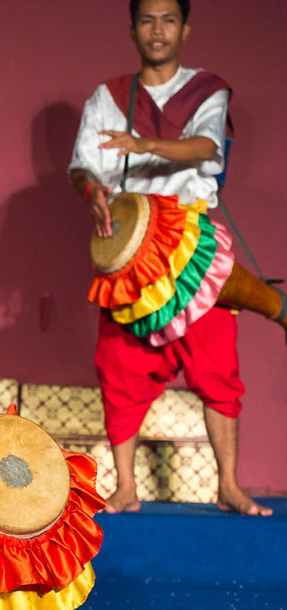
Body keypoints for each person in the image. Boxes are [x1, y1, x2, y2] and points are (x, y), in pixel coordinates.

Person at [69, 0, 271, 516]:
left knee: (217, 364)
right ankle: (126, 488)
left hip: (188, 238)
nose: (157, 30)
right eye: (146, 20)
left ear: (185, 28)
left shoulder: (208, 90)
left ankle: (228, 484)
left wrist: (140, 143)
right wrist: (92, 190)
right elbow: (83, 166)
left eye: (168, 19)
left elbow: (205, 147)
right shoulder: (107, 97)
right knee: (120, 367)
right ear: (132, 29)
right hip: (128, 243)